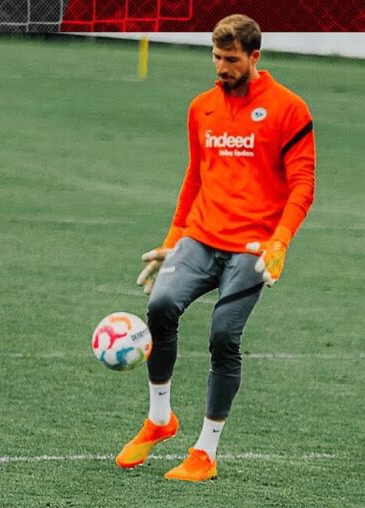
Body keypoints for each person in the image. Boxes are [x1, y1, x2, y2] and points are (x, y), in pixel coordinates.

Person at [114, 14, 317, 482]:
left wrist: (280, 241)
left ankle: (205, 451)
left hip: (253, 246)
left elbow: (303, 184)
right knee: (161, 306)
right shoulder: (201, 107)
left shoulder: (289, 109)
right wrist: (171, 241)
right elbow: (195, 177)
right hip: (201, 236)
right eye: (216, 57)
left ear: (254, 57)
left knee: (224, 335)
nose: (221, 67)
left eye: (231, 60)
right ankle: (160, 419)